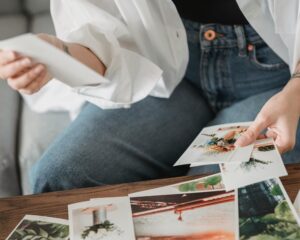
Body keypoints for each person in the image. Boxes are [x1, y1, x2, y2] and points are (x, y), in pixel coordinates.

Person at [0, 0, 299, 193]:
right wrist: (60, 55)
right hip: (164, 72)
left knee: (219, 189)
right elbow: (104, 47)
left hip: (279, 79)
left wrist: (295, 91)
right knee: (61, 176)